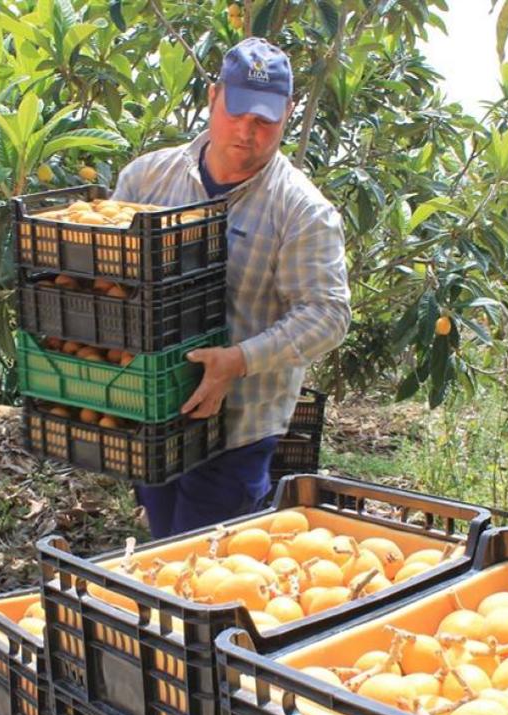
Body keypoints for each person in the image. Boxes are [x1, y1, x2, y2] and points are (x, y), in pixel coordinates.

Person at [112, 37, 350, 539]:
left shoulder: (302, 211)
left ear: (288, 112)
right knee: (164, 550)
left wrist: (236, 361)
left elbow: (328, 315)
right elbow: (111, 279)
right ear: (213, 97)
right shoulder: (146, 180)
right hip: (152, 414)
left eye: (265, 119)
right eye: (238, 111)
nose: (248, 131)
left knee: (210, 570)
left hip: (238, 431)